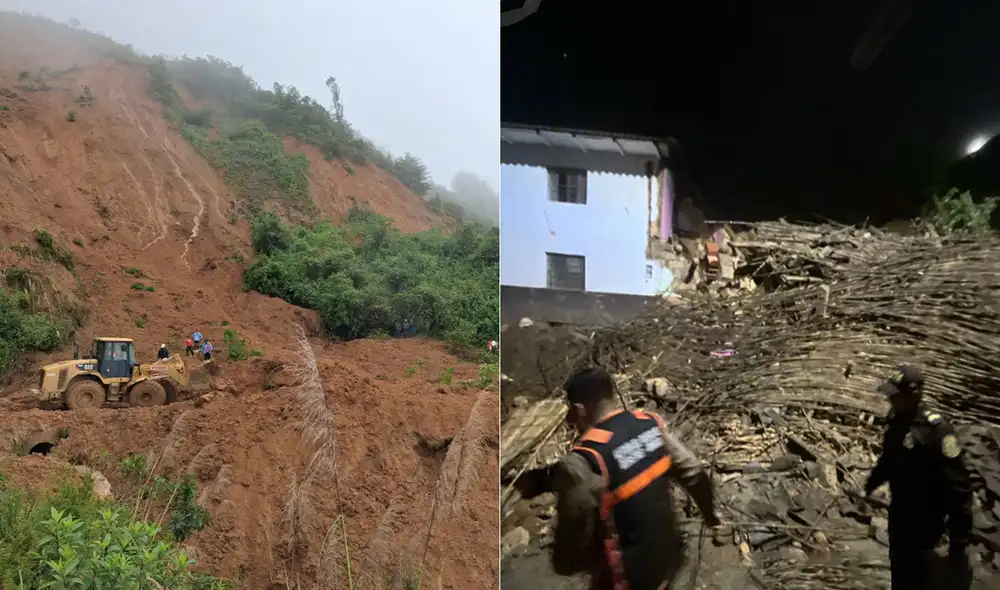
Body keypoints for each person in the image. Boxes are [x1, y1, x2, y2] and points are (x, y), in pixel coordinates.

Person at [550, 366, 720, 589]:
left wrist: (564, 564)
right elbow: (695, 472)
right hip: (671, 560)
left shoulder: (584, 459)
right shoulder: (649, 423)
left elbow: (575, 529)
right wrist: (710, 516)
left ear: (578, 410)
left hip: (629, 579)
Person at [864, 364, 973, 590]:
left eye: (896, 396)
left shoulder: (937, 431)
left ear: (914, 394)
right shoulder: (897, 423)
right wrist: (869, 485)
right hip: (900, 521)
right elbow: (888, 460)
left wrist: (958, 544)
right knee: (901, 580)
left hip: (927, 527)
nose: (891, 401)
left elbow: (959, 488)